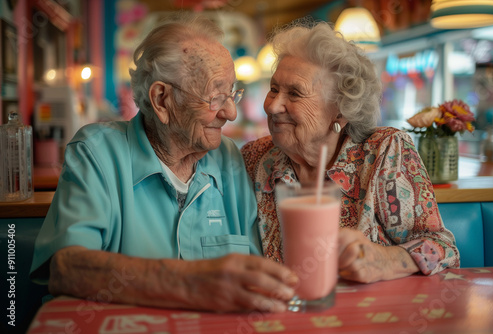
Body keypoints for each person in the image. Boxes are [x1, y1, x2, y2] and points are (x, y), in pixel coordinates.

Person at [30, 15, 296, 313]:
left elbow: (254, 277)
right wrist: (190, 283)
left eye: (232, 93)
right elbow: (67, 268)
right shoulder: (97, 153)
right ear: (161, 99)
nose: (231, 113)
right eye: (216, 97)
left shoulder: (229, 158)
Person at [241, 21, 460, 284]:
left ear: (341, 110)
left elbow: (444, 248)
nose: (273, 106)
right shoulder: (255, 159)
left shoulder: (384, 152)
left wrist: (385, 261)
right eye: (274, 88)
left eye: (295, 94)